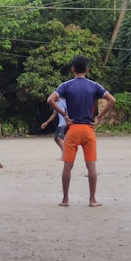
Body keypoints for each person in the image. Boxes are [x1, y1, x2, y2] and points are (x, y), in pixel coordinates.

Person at [47, 55, 115, 207]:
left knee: (67, 165)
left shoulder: (66, 85)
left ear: (72, 70)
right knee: (91, 166)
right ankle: (92, 200)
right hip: (88, 129)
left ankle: (65, 199)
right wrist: (98, 117)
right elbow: (112, 100)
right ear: (87, 69)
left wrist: (64, 115)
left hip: (72, 129)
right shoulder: (94, 85)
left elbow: (50, 99)